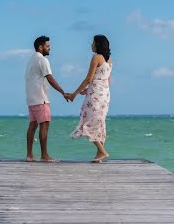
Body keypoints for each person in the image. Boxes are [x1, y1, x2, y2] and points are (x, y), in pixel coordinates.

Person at [25, 35, 71, 163]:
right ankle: (44, 155)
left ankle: (29, 155)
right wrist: (63, 92)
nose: (49, 48)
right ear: (40, 47)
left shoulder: (31, 60)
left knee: (33, 125)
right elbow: (50, 78)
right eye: (47, 46)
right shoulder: (42, 60)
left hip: (31, 98)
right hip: (41, 98)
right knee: (44, 125)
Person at [67, 35, 112, 163]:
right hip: (105, 95)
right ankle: (99, 155)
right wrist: (88, 90)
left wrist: (74, 94)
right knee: (99, 123)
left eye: (93, 43)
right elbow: (107, 81)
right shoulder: (109, 61)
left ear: (98, 44)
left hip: (95, 95)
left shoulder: (96, 57)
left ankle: (103, 151)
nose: (91, 45)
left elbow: (89, 79)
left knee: (88, 122)